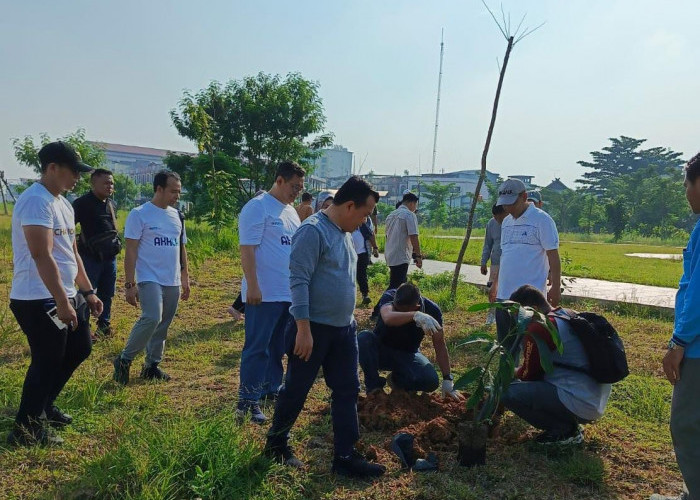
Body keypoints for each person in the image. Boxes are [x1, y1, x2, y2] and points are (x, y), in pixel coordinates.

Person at [264, 176, 385, 478]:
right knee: (297, 388)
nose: (364, 221)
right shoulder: (313, 231)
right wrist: (303, 329)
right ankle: (276, 443)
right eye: (363, 214)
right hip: (313, 329)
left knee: (347, 390)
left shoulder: (344, 231)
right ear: (348, 205)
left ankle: (344, 456)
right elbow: (299, 280)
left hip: (344, 329)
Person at [7, 141, 103, 446]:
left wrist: (87, 292)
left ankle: (43, 407)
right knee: (47, 359)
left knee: (80, 348)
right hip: (38, 296)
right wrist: (61, 301)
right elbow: (41, 255)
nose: (78, 177)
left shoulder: (62, 203)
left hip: (66, 291)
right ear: (52, 168)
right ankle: (26, 429)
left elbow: (71, 253)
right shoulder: (36, 201)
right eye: (73, 171)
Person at [501, 285, 612, 446]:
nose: (519, 322)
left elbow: (529, 374)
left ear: (533, 309)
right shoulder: (566, 314)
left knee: (507, 393)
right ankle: (568, 422)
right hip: (593, 397)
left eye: (520, 316)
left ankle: (563, 429)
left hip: (578, 400)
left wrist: (509, 373)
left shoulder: (540, 327)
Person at [236, 161, 304, 424]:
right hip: (263, 293)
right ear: (279, 180)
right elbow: (247, 249)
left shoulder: (291, 213)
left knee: (277, 347)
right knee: (257, 348)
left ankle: (269, 390)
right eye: (293, 186)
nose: (296, 191)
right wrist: (253, 285)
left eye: (300, 187)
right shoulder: (258, 207)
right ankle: (247, 401)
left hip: (286, 293)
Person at [651, 154, 700, 500]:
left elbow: (697, 290)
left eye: (686, 183)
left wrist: (679, 341)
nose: (685, 191)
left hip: (696, 346)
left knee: (685, 425)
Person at [112, 170, 190, 385]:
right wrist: (129, 284)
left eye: (179, 192)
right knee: (152, 317)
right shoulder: (140, 214)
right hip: (149, 277)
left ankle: (151, 365)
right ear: (159, 189)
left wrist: (185, 276)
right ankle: (124, 359)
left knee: (164, 323)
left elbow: (181, 248)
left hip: (171, 278)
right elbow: (131, 251)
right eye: (173, 191)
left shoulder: (177, 216)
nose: (177, 196)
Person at [491, 178, 561, 353]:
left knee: (533, 347)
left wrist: (556, 287)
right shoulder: (506, 222)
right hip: (504, 297)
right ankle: (507, 380)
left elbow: (553, 256)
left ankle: (532, 379)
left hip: (531, 301)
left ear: (524, 197)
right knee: (505, 348)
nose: (507, 208)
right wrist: (495, 284)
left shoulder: (542, 220)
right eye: (504, 205)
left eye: (511, 204)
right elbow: (505, 256)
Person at [358, 283, 462, 400]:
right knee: (364, 338)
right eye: (396, 308)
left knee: (430, 380)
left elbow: (439, 343)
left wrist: (447, 378)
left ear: (416, 306)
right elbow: (387, 317)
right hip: (380, 351)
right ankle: (374, 389)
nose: (398, 311)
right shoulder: (390, 296)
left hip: (408, 354)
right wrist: (415, 315)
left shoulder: (432, 311)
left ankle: (397, 381)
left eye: (403, 311)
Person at [72, 168, 120, 339]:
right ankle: (80, 328)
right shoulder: (81, 203)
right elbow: (69, 229)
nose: (110, 186)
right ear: (93, 184)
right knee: (86, 293)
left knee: (107, 293)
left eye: (112, 183)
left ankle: (104, 326)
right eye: (106, 182)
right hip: (89, 258)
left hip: (110, 258)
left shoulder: (112, 204)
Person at [372, 190, 422, 319]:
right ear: (412, 203)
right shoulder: (409, 215)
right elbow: (413, 236)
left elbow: (389, 235)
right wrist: (418, 255)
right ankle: (377, 311)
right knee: (395, 286)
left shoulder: (391, 215)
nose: (415, 208)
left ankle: (400, 308)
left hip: (391, 253)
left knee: (400, 283)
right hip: (401, 254)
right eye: (415, 205)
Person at [480, 204, 507, 325]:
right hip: (496, 262)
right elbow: (487, 244)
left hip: (510, 263)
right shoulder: (491, 224)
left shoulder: (512, 223)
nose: (497, 220)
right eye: (494, 217)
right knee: (492, 289)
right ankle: (491, 314)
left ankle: (506, 315)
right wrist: (483, 262)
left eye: (499, 217)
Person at [352, 216, 379, 305]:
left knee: (362, 274)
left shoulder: (364, 225)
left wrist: (375, 248)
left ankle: (365, 295)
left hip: (362, 253)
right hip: (350, 253)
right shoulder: (346, 224)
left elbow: (371, 235)